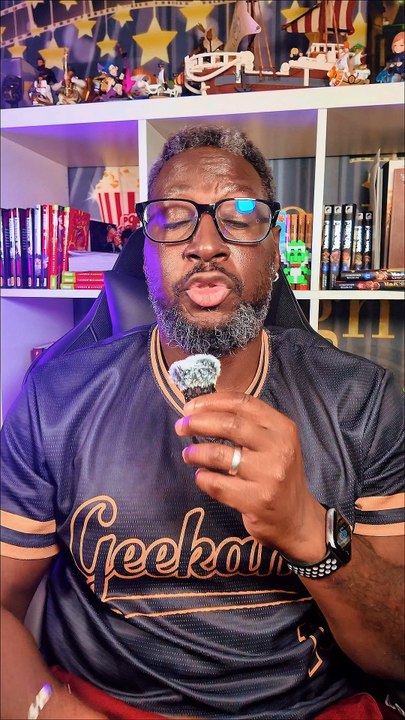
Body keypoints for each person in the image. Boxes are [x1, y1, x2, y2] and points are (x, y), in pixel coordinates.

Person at [1, 126, 404, 720]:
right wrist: (51, 712)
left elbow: (396, 653)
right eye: (174, 218)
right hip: (105, 705)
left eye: (239, 217)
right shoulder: (55, 397)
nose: (207, 243)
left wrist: (308, 528)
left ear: (274, 247)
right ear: (145, 251)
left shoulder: (362, 399)